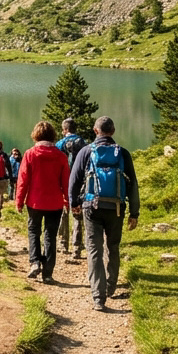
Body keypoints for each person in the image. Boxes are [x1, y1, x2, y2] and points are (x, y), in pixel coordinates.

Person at [69, 116, 140, 311]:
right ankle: (110, 287)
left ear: (95, 130)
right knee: (113, 247)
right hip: (116, 208)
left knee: (94, 249)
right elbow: (132, 183)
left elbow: (74, 180)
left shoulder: (85, 151)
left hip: (92, 206)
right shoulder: (123, 153)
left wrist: (74, 203)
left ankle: (98, 297)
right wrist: (135, 212)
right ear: (113, 131)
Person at [14, 121, 68, 283]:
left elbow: (22, 180)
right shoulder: (60, 156)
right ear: (52, 136)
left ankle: (35, 262)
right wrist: (68, 201)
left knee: (33, 231)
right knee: (50, 236)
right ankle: (48, 273)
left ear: (36, 135)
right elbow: (66, 182)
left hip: (35, 202)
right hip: (55, 203)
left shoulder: (30, 154)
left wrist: (19, 201)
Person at [56, 119, 87, 261]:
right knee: (77, 214)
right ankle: (77, 247)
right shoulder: (83, 143)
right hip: (79, 183)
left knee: (64, 212)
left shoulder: (59, 144)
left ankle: (63, 243)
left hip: (63, 183)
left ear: (64, 130)